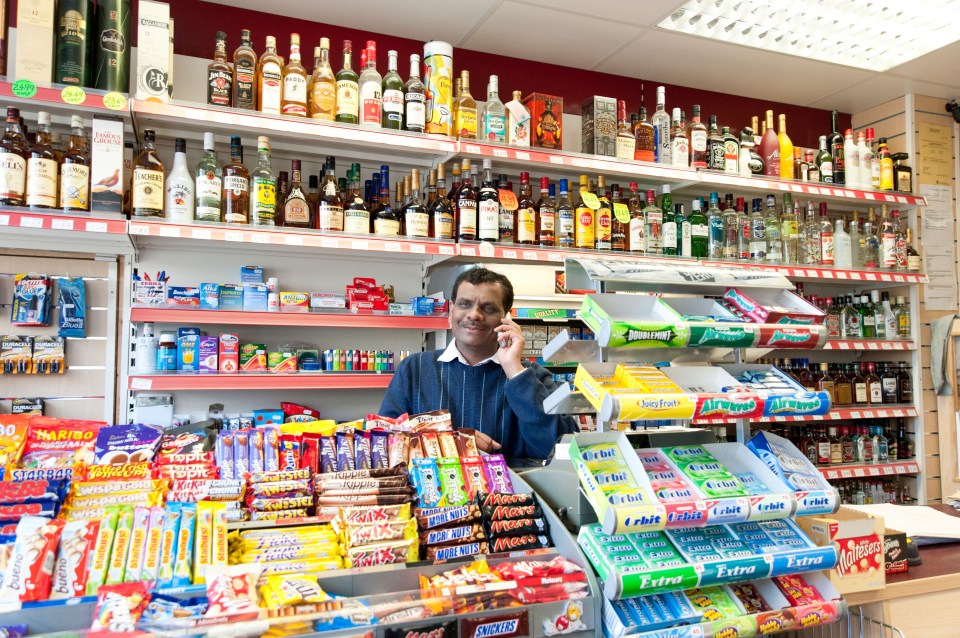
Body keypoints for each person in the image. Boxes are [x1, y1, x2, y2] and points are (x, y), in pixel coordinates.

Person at [379, 267, 578, 460]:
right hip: (433, 491)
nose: (474, 314)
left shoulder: (533, 376)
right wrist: (450, 443)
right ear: (451, 312)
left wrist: (514, 371)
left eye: (488, 308)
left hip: (510, 492)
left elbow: (555, 450)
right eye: (464, 304)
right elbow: (384, 442)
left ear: (505, 319)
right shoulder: (415, 369)